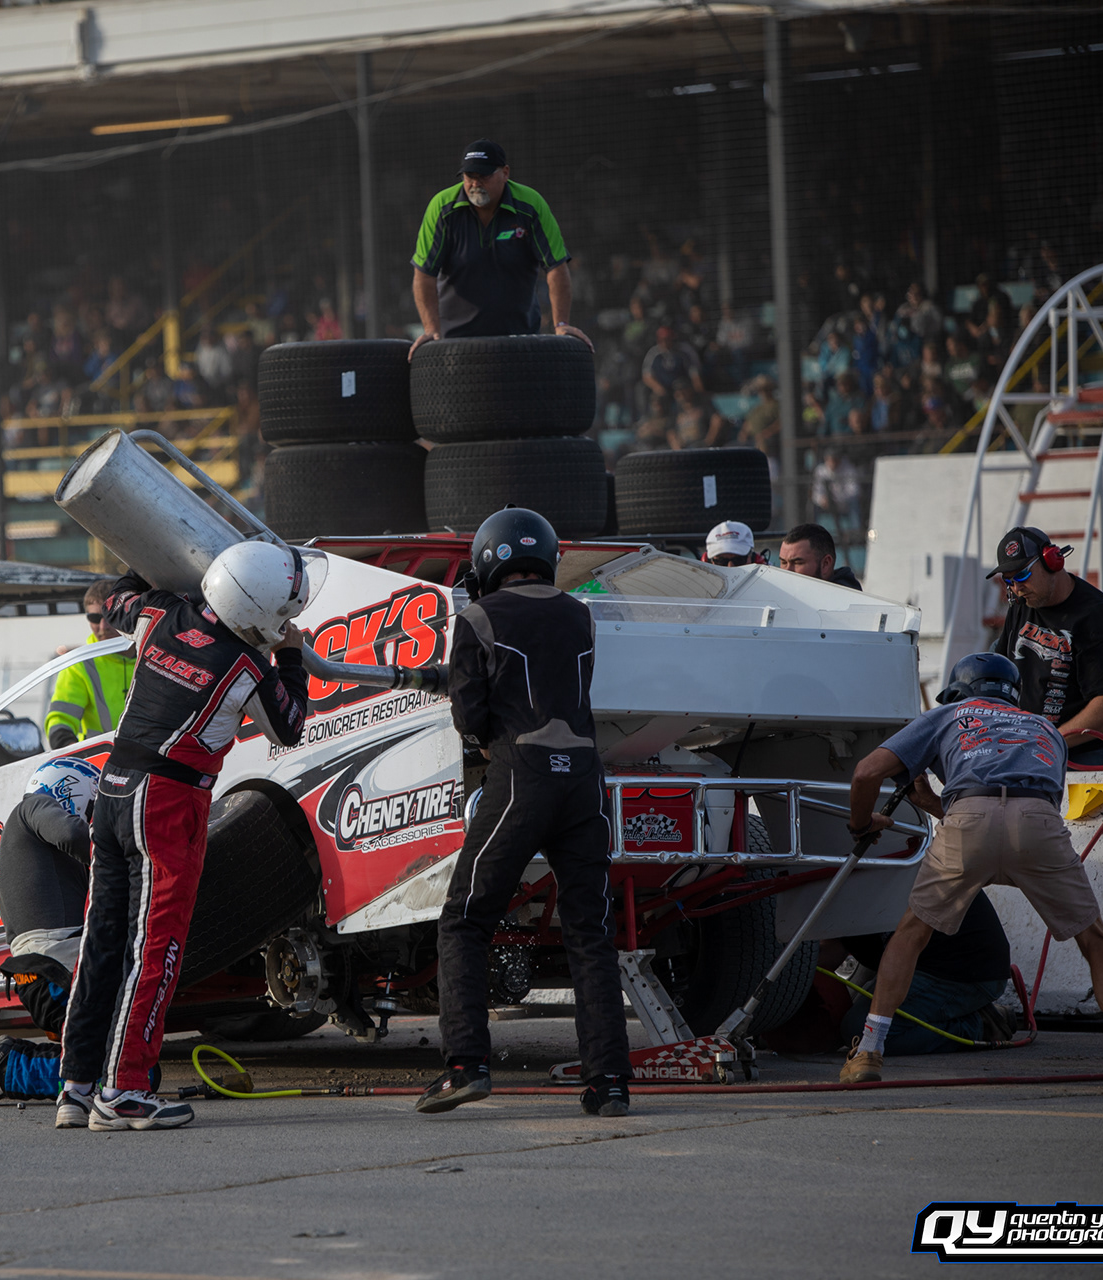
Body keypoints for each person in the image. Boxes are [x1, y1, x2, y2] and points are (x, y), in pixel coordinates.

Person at [57, 543, 312, 1131]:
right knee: (157, 948)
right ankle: (123, 1091)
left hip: (114, 787)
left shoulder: (160, 614)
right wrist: (292, 658)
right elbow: (290, 725)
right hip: (168, 801)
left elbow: (118, 593)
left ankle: (77, 1086)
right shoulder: (247, 665)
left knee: (102, 940)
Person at [839, 653, 1103, 1090]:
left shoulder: (949, 713)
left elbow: (867, 772)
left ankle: (868, 1053)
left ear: (960, 691)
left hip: (970, 818)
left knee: (912, 933)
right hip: (1037, 820)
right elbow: (1014, 812)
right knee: (1095, 937)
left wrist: (863, 823)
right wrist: (938, 807)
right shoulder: (1046, 729)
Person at [419, 508, 632, 1119]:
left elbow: (470, 716)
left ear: (489, 559)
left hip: (521, 775)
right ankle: (610, 1083)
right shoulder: (580, 614)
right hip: (584, 779)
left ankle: (465, 1067)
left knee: (465, 918)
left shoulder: (478, 616)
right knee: (591, 932)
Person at [0, 758, 100, 1107]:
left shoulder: (38, 847)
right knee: (122, 1072)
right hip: (55, 970)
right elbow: (74, 833)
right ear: (69, 788)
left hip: (49, 970)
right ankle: (13, 1067)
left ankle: (20, 1056)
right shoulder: (34, 806)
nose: (91, 816)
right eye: (92, 806)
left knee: (124, 1058)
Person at [409, 139, 590, 359]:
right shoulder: (442, 207)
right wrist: (431, 329)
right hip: (455, 340)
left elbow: (556, 266)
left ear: (505, 173)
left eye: (483, 176)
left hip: (520, 337)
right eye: (469, 177)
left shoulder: (531, 205)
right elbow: (424, 273)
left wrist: (561, 324)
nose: (475, 184)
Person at [986, 526, 1103, 768]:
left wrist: (1048, 741)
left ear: (1052, 561)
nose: (1016, 588)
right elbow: (1001, 669)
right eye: (1008, 580)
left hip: (1087, 756)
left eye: (1022, 575)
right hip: (1032, 751)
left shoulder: (1097, 617)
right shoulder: (1021, 605)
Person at [831, 889, 1014, 1055]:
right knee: (852, 1020)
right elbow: (831, 950)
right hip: (936, 964)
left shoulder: (861, 873)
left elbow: (826, 951)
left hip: (965, 968)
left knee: (859, 1029)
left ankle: (980, 1024)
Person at [45, 582, 135, 750]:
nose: (103, 626)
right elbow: (60, 724)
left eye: (109, 616)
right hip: (99, 766)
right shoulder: (79, 664)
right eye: (94, 618)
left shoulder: (154, 655)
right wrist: (75, 755)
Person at [777, 522, 861, 589]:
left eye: (797, 563)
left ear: (826, 564)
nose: (787, 571)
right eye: (783, 562)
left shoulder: (845, 602)